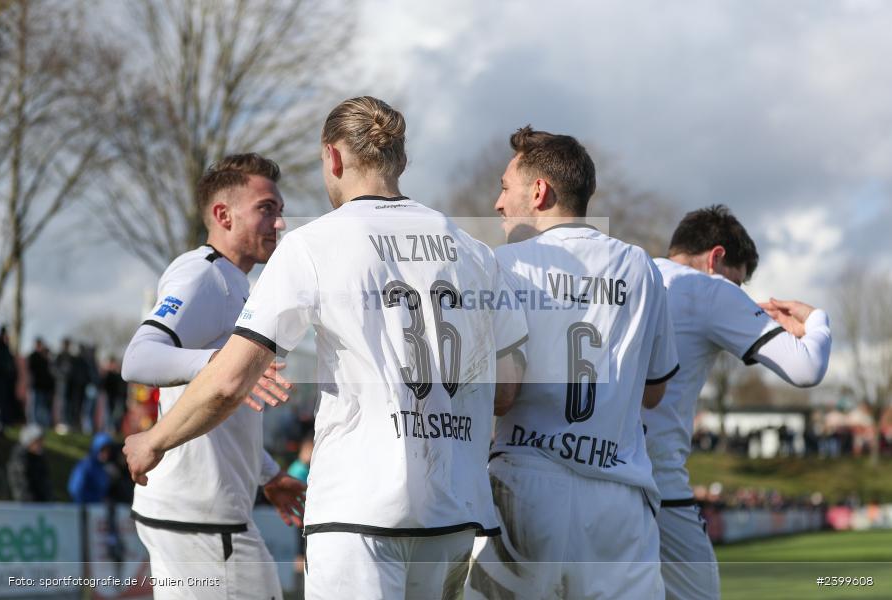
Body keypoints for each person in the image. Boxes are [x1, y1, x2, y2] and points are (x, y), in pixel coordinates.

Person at [124, 96, 528, 600]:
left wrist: (154, 440)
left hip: (359, 514)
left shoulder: (316, 244)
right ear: (400, 161)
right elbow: (506, 392)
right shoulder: (474, 251)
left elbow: (231, 381)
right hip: (452, 511)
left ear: (333, 159)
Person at [465, 127, 678, 600]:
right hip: (618, 495)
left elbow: (501, 395)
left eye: (505, 188)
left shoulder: (503, 264)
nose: (498, 204)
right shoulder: (640, 265)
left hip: (526, 482)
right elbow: (655, 389)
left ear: (538, 192)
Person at [120, 153, 305, 600]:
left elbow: (222, 408)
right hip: (199, 518)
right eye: (266, 209)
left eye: (279, 211)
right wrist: (220, 365)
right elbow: (139, 358)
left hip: (207, 516)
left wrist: (267, 473)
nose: (278, 223)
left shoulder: (236, 282)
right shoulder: (204, 275)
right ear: (223, 214)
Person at [642, 205, 832, 599]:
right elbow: (806, 368)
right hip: (657, 485)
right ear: (716, 258)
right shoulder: (709, 289)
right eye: (739, 281)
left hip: (590, 471)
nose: (739, 292)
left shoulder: (628, 272)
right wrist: (817, 321)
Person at [7, 424, 52, 502]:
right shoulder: (20, 459)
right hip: (27, 506)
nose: (41, 443)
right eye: (37, 440)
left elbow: (45, 483)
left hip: (42, 505)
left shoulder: (39, 457)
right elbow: (22, 485)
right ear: (29, 441)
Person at [68, 432, 114, 503]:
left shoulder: (104, 468)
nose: (105, 454)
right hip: (84, 510)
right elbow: (75, 490)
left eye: (108, 451)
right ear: (96, 448)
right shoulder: (85, 465)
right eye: (102, 450)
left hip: (97, 511)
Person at [0, 326, 20, 426]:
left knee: (4, 403)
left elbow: (11, 365)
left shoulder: (6, 348)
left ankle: (3, 422)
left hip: (6, 381)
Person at [27, 338, 56, 427]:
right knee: (34, 405)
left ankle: (40, 423)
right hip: (36, 385)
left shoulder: (46, 359)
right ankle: (33, 423)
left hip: (45, 387)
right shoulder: (34, 356)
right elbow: (32, 370)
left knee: (42, 407)